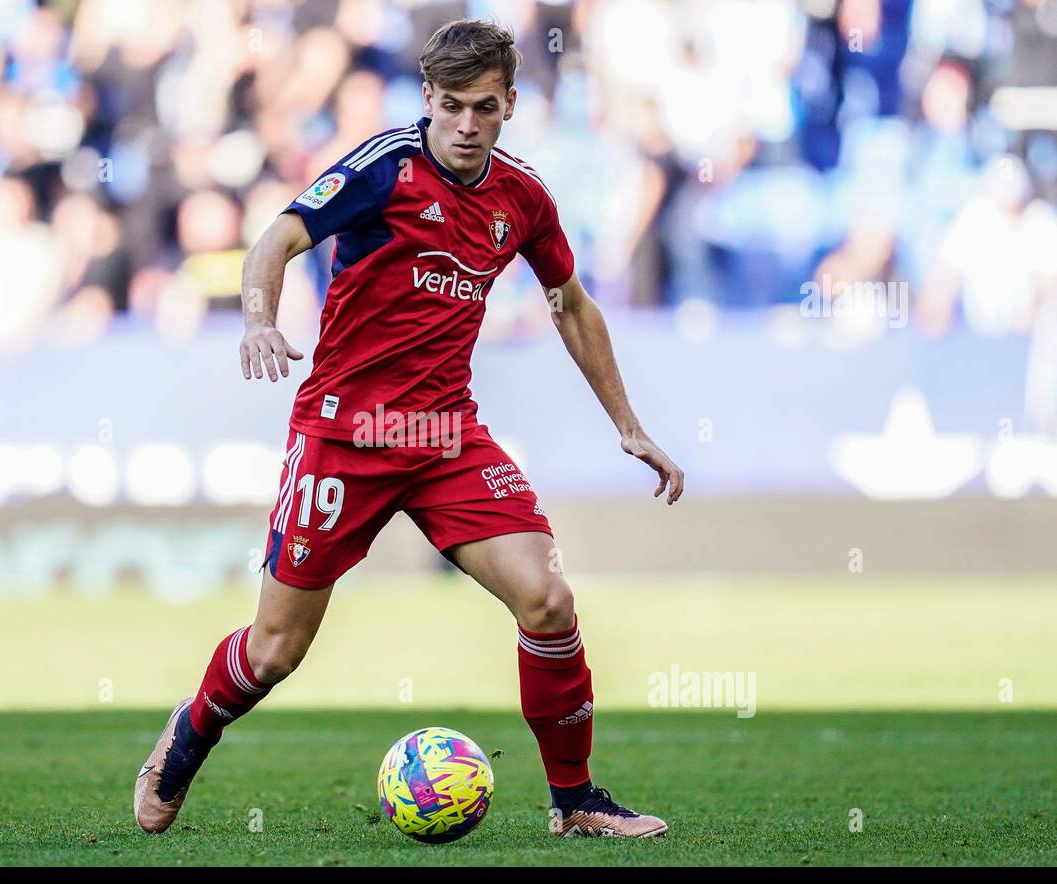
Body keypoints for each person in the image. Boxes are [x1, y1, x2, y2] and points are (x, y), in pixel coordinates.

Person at [135, 19, 684, 839]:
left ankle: (575, 804)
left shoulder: (523, 196)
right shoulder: (384, 168)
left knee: (547, 599)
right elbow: (279, 237)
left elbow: (571, 302)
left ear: (509, 105)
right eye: (453, 106)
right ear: (428, 99)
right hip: (342, 436)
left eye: (485, 108)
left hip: (443, 438)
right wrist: (257, 318)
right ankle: (188, 736)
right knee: (276, 651)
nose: (467, 125)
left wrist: (628, 423)